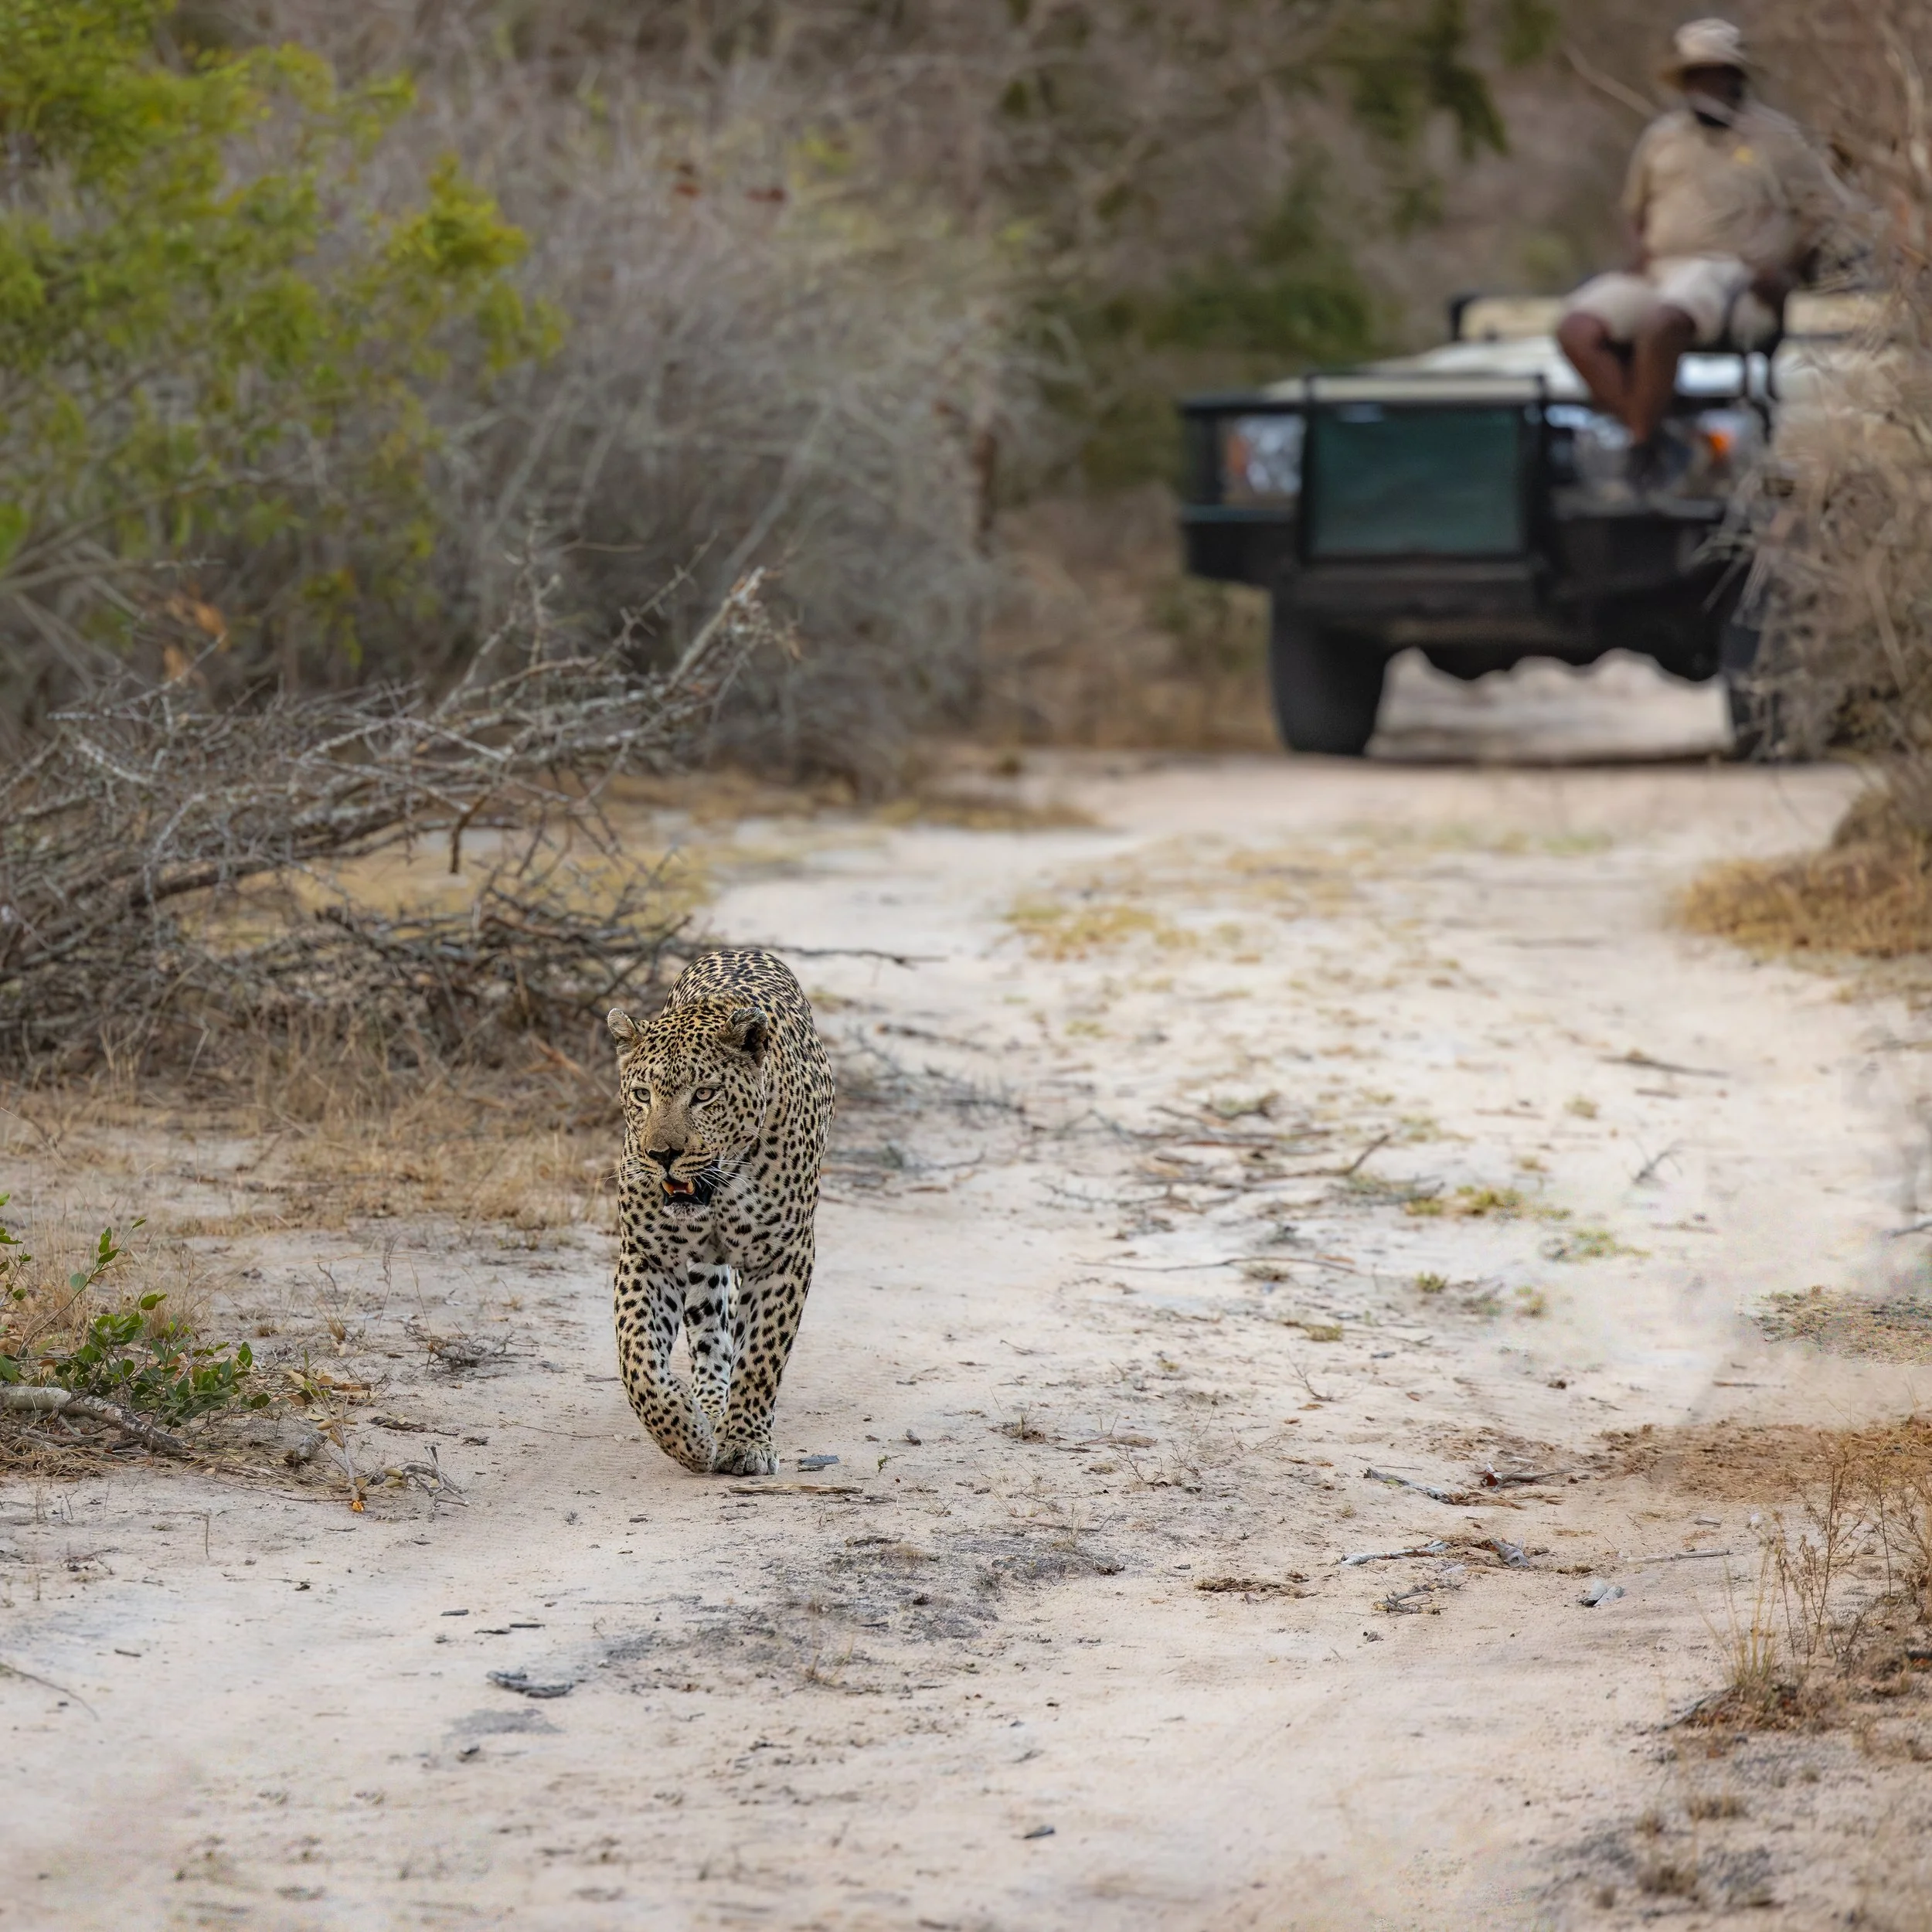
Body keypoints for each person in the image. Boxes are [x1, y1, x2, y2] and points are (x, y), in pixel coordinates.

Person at [1556, 18, 1842, 485]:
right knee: (1578, 329)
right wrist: (1641, 252)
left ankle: (1640, 446)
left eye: (1715, 74)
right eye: (1696, 76)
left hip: (1732, 271)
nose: (1705, 86)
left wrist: (1789, 269)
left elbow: (1822, 214)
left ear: (1736, 77)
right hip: (1661, 268)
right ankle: (1648, 431)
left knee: (1664, 321)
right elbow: (1635, 208)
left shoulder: (1778, 140)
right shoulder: (1662, 137)